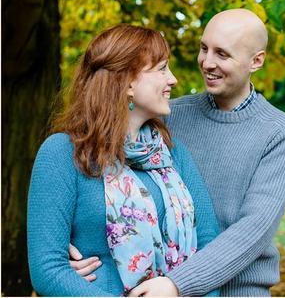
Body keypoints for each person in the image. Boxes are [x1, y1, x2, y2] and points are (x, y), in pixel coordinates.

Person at [71, 8, 285, 296]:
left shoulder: (281, 132)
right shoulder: (169, 114)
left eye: (222, 54)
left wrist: (179, 283)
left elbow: (253, 230)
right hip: (158, 285)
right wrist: (71, 251)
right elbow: (110, 188)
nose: (207, 62)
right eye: (204, 48)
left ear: (256, 61)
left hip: (236, 289)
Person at [27, 24, 220, 296]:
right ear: (128, 82)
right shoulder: (62, 153)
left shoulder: (173, 154)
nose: (173, 79)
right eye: (162, 68)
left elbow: (208, 247)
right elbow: (47, 270)